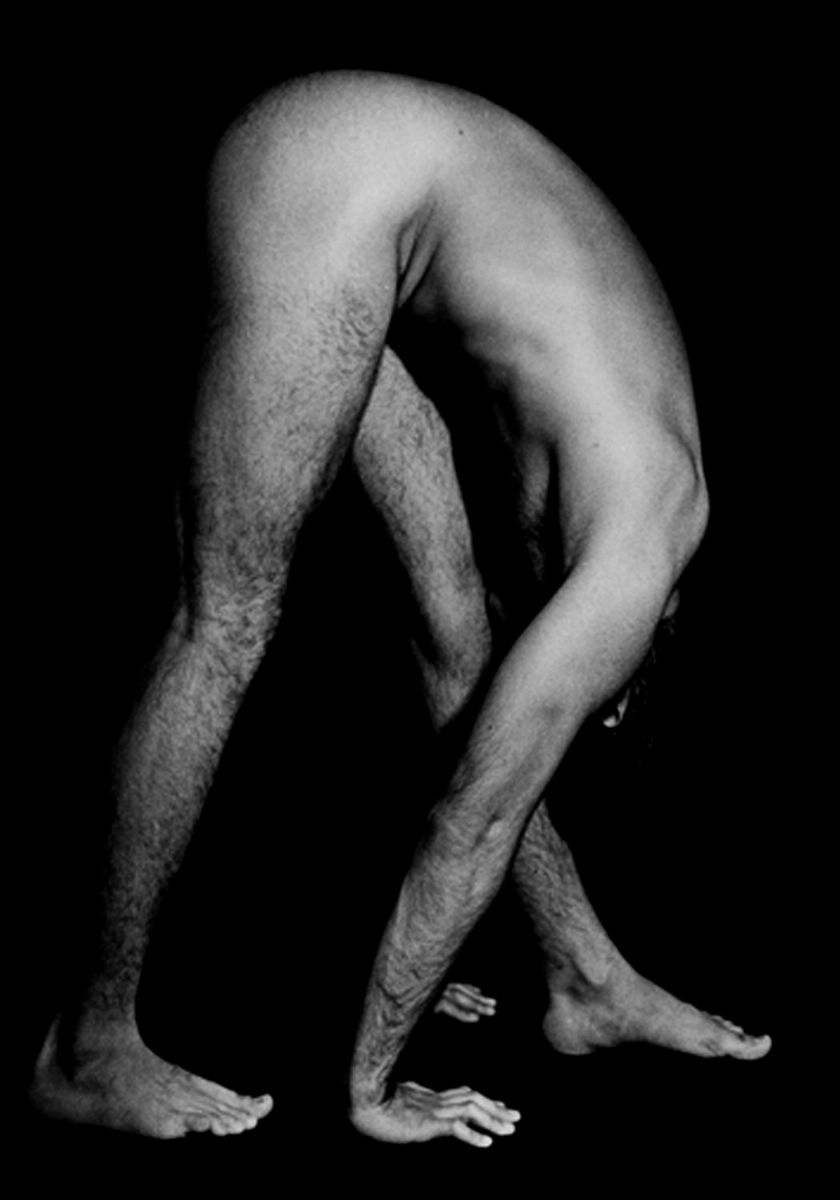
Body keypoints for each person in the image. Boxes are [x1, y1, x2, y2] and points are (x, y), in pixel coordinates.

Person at [29, 70, 770, 1148]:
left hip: (391, 193)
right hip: (335, 174)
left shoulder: (625, 483)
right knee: (226, 618)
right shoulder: (634, 554)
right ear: (650, 636)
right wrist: (376, 1087)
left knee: (456, 630)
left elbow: (493, 722)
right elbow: (474, 816)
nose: (591, 706)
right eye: (607, 702)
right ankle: (84, 1048)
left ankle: (583, 975)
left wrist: (420, 952)